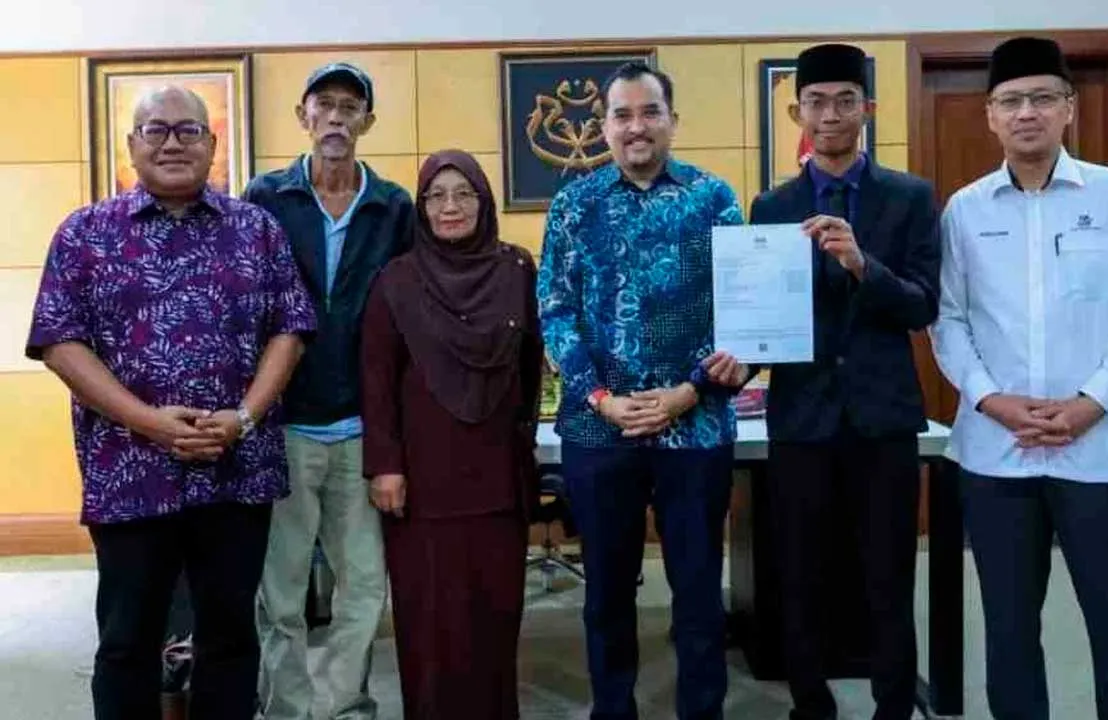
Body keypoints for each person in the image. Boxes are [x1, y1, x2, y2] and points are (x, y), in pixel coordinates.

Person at [24, 86, 315, 720]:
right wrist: (148, 423)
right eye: (155, 130)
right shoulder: (85, 232)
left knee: (231, 638)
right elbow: (58, 342)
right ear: (132, 146)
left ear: (213, 146)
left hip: (238, 470)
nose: (172, 143)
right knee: (128, 641)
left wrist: (243, 417)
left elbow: (290, 330)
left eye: (188, 130)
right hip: (129, 473)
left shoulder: (256, 229)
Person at [930, 36, 1108, 720]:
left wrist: (1091, 403)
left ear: (1068, 109)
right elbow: (948, 320)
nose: (1026, 113)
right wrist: (991, 400)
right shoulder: (965, 210)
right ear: (990, 116)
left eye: (1042, 98)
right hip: (997, 454)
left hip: (1099, 448)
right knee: (1008, 626)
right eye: (1010, 101)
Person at [536, 60, 750, 720]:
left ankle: (701, 710)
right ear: (604, 127)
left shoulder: (714, 199)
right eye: (622, 115)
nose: (636, 127)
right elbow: (554, 307)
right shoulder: (575, 204)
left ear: (672, 121)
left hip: (697, 426)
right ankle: (613, 709)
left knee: (694, 589)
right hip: (601, 429)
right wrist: (600, 396)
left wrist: (688, 391)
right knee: (605, 591)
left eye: (649, 112)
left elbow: (741, 310)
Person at [746, 43, 942, 720]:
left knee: (889, 574)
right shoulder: (771, 205)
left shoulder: (910, 197)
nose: (830, 115)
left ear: (868, 109)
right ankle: (811, 704)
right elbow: (763, 312)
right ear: (797, 110)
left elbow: (922, 307)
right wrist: (738, 356)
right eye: (817, 102)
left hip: (882, 419)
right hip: (801, 417)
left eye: (845, 100)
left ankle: (894, 705)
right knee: (799, 575)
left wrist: (864, 265)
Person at [244, 62, 415, 720]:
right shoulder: (266, 196)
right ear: (303, 117)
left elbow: (410, 308)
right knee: (281, 590)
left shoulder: (395, 206)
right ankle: (286, 708)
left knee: (364, 586)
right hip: (283, 422)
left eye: (351, 107)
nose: (337, 118)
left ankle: (347, 706)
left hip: (361, 427)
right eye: (325, 105)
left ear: (367, 122)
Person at [360, 149, 542, 720]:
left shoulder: (517, 269)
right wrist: (385, 465)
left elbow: (532, 364)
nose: (450, 206)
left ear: (484, 201)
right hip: (422, 480)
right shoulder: (397, 280)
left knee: (495, 613)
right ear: (420, 208)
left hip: (497, 476)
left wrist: (527, 447)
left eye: (464, 193)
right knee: (430, 620)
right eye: (435, 195)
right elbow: (376, 379)